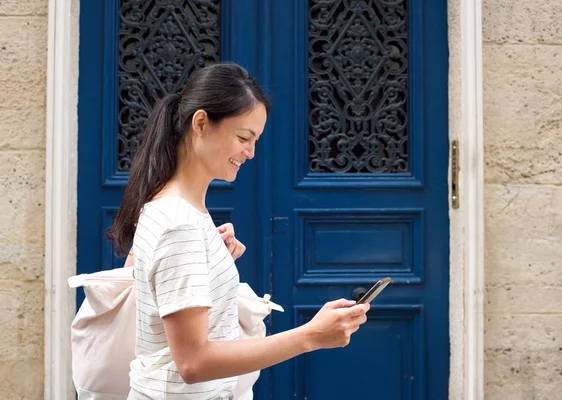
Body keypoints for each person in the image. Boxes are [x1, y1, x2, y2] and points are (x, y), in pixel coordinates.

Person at [107, 63, 370, 400]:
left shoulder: (167, 207)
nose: (251, 152)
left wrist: (206, 261)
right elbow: (193, 362)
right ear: (200, 123)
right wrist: (311, 336)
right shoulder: (180, 222)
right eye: (244, 137)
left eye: (255, 140)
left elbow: (144, 283)